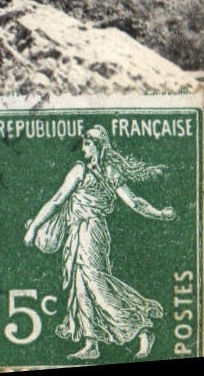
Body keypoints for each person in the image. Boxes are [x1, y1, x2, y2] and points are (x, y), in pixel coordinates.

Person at [23, 125, 175, 362]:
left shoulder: (97, 171)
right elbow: (57, 201)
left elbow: (134, 202)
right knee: (81, 286)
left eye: (88, 143)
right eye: (84, 144)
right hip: (78, 231)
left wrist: (160, 214)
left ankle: (142, 327)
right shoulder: (84, 169)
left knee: (96, 283)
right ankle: (91, 343)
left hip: (92, 232)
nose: (84, 148)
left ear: (98, 145)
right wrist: (160, 214)